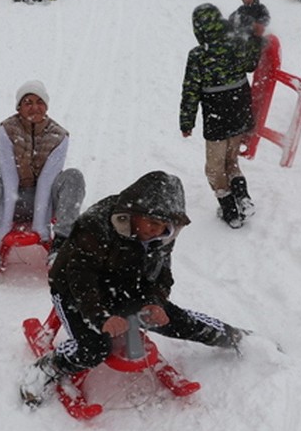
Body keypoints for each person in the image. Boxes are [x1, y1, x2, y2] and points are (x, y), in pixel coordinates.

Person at [19, 171, 245, 407]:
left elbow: (161, 275)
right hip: (73, 290)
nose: (157, 231)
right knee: (94, 349)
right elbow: (81, 279)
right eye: (153, 223)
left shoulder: (164, 234)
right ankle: (49, 367)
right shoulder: (96, 223)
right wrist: (101, 317)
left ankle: (235, 337)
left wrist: (155, 302)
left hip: (126, 287)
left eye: (164, 226)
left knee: (176, 320)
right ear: (135, 213)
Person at [0, 80, 86, 276]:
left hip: (47, 198)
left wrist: (40, 227)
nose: (34, 107)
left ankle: (61, 244)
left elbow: (47, 180)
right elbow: (8, 175)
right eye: (28, 102)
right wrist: (4, 227)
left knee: (73, 176)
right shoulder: (8, 129)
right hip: (14, 196)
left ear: (46, 106)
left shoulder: (59, 135)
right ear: (19, 108)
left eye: (39, 102)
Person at [179, 4, 262, 229]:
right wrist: (254, 40)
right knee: (231, 160)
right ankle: (243, 198)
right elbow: (251, 65)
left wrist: (186, 122)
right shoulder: (236, 43)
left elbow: (191, 90)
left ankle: (229, 210)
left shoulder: (198, 55)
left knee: (214, 167)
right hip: (239, 109)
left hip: (217, 115)